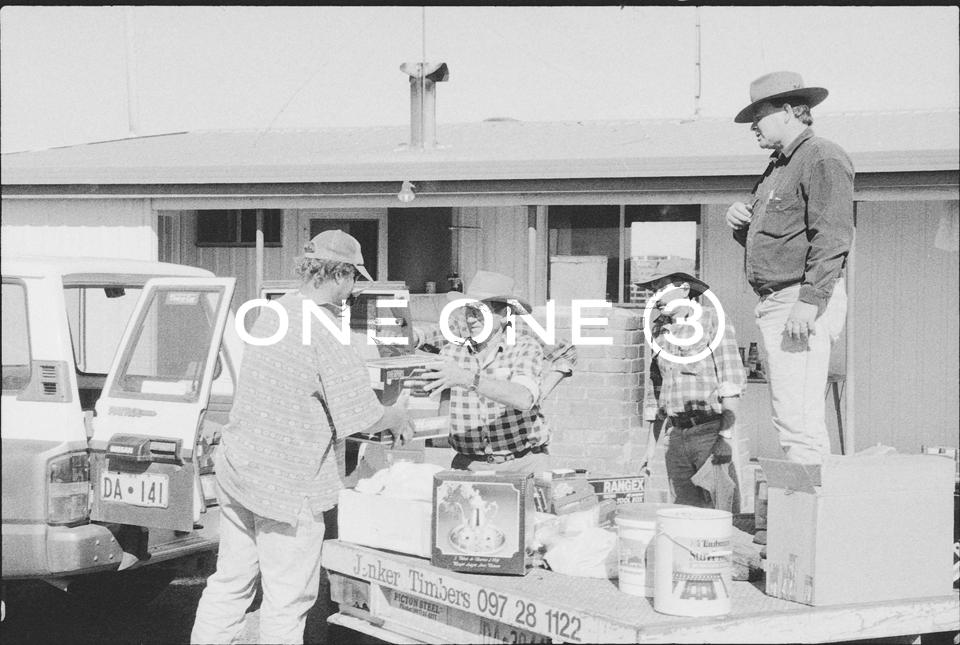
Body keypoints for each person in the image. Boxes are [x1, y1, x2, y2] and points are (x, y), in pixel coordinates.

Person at [191, 230, 414, 644]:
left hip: (240, 470)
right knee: (287, 599)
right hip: (289, 485)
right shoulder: (327, 331)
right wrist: (398, 415)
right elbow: (363, 416)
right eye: (354, 278)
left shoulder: (275, 312)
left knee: (230, 583)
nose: (353, 289)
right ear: (341, 274)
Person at [725, 71, 853, 466]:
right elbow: (779, 242)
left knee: (797, 422)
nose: (754, 127)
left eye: (758, 117)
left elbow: (833, 237)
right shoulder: (777, 168)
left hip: (798, 299)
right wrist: (739, 222)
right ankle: (812, 500)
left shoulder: (822, 157)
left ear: (786, 111)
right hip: (780, 301)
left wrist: (808, 302)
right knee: (795, 418)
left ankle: (812, 502)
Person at [416, 270, 576, 473]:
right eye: (469, 311)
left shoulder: (524, 344)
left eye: (480, 312)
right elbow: (434, 333)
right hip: (469, 466)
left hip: (524, 465)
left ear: (504, 315)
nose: (471, 319)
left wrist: (540, 392)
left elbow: (524, 398)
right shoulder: (453, 348)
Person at [637, 260, 746, 510]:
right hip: (676, 436)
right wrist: (650, 449)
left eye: (661, 288)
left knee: (720, 513)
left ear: (684, 288)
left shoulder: (712, 320)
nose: (655, 297)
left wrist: (724, 438)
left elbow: (731, 382)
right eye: (652, 291)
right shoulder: (658, 330)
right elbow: (657, 395)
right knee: (683, 515)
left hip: (709, 432)